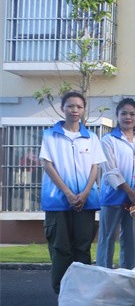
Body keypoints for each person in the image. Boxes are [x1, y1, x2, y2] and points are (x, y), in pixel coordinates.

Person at [40, 91, 106, 293]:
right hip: (57, 201)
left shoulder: (91, 138)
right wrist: (68, 193)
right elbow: (48, 165)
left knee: (82, 248)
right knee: (61, 249)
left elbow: (95, 167)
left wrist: (85, 193)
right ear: (63, 108)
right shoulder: (50, 135)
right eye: (70, 106)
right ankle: (62, 293)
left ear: (84, 109)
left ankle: (82, 293)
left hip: (86, 202)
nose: (74, 110)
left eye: (79, 106)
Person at [97, 98, 135, 270]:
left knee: (132, 240)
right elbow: (110, 170)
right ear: (117, 115)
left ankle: (130, 274)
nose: (128, 117)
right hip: (112, 197)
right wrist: (129, 191)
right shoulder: (108, 140)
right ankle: (104, 272)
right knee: (107, 238)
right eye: (124, 113)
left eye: (132, 114)